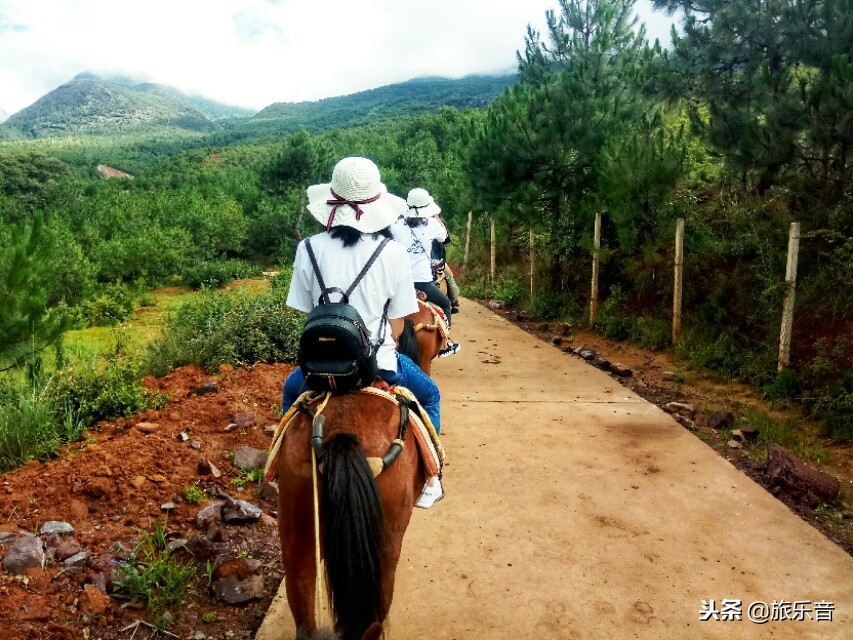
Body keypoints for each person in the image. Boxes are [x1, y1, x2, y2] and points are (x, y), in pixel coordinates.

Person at [280, 157, 443, 508]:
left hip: (318, 371)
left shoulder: (307, 248)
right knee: (429, 395)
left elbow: (309, 313)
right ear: (376, 205)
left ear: (331, 203)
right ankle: (431, 478)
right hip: (378, 368)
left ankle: (278, 467)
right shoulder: (392, 252)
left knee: (289, 390)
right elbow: (399, 323)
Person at [391, 188, 461, 358]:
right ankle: (445, 344)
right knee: (445, 303)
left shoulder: (396, 225)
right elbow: (444, 238)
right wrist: (434, 215)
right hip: (423, 282)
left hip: (399, 282)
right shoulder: (432, 224)